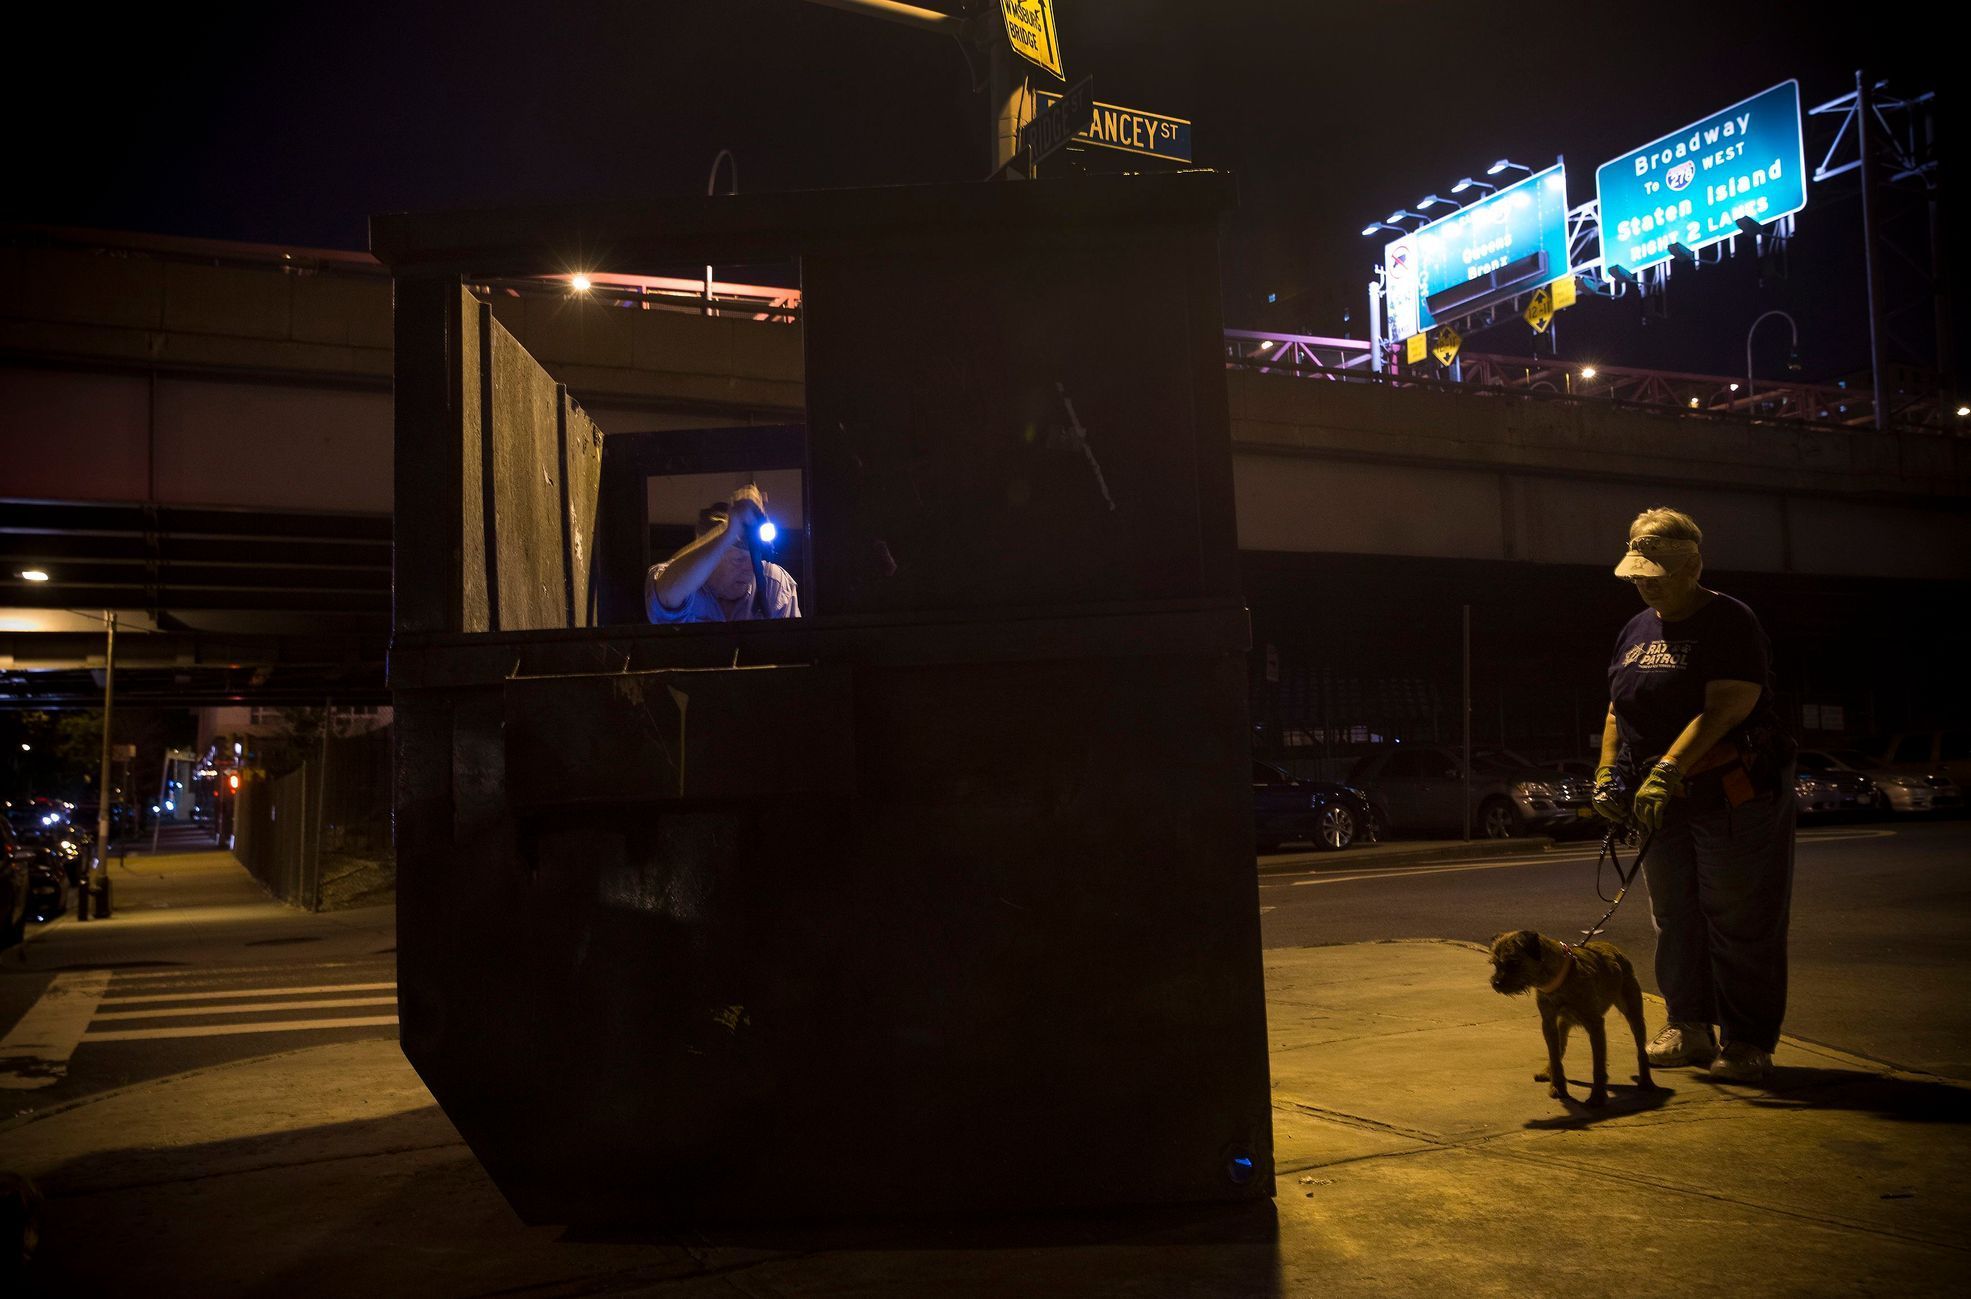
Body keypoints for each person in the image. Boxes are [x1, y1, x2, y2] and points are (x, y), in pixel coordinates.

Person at [1591, 507, 1796, 1084]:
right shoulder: (1636, 629)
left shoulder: (1730, 620)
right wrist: (1610, 773)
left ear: (1692, 566)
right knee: (1674, 915)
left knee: (1738, 917)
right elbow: (1617, 708)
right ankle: (1689, 1025)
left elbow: (1727, 705)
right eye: (1637, 571)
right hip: (1664, 803)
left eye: (1655, 572)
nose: (1642, 581)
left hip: (1731, 793)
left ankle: (1748, 1039)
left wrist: (1668, 769)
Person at [645, 484, 800, 623]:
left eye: (755, 557)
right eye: (738, 560)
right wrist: (729, 532)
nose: (751, 568)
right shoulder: (682, 578)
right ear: (711, 559)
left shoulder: (774, 583)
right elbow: (665, 596)